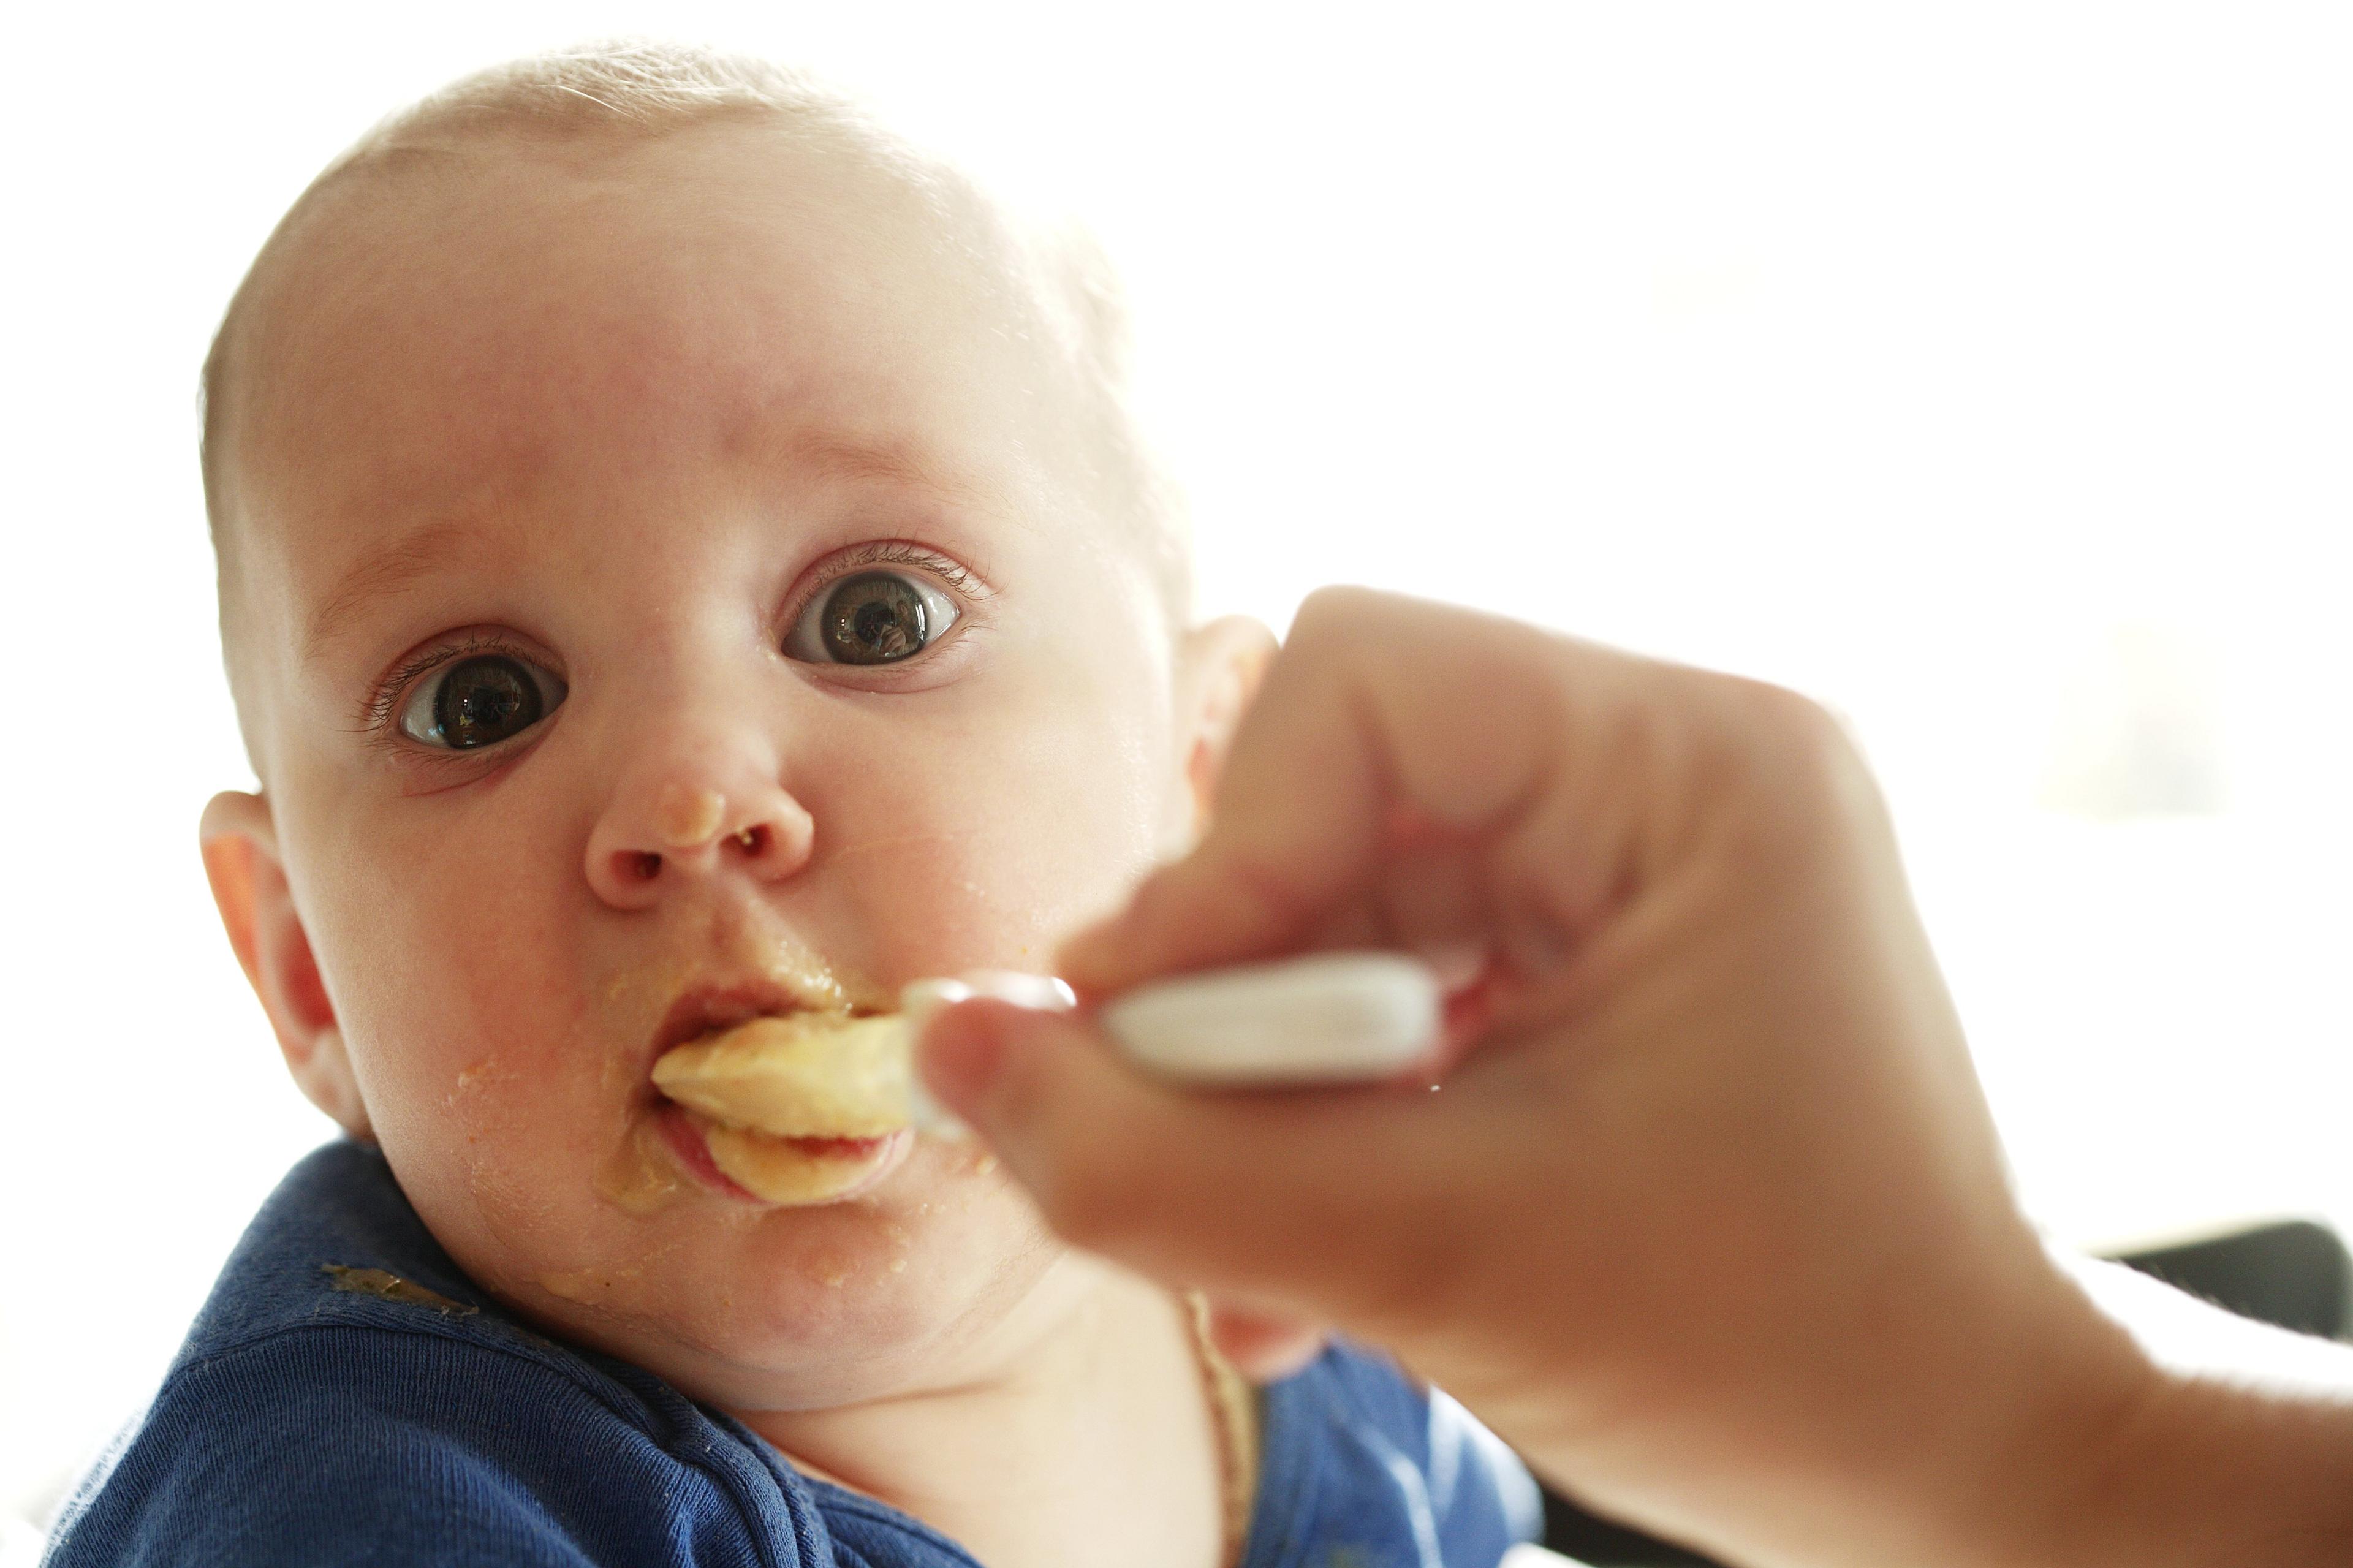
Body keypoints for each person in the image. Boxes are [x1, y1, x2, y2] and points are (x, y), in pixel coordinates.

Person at [41, 44, 1539, 1568]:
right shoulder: (358, 1503)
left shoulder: (1300, 1280)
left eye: (874, 618)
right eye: (481, 701)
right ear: (308, 977)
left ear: (1209, 792)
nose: (692, 796)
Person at [917, 587, 2353, 1568]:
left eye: (877, 619)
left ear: (1203, 753)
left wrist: (2019, 1416)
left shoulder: (1350, 1351)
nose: (696, 789)